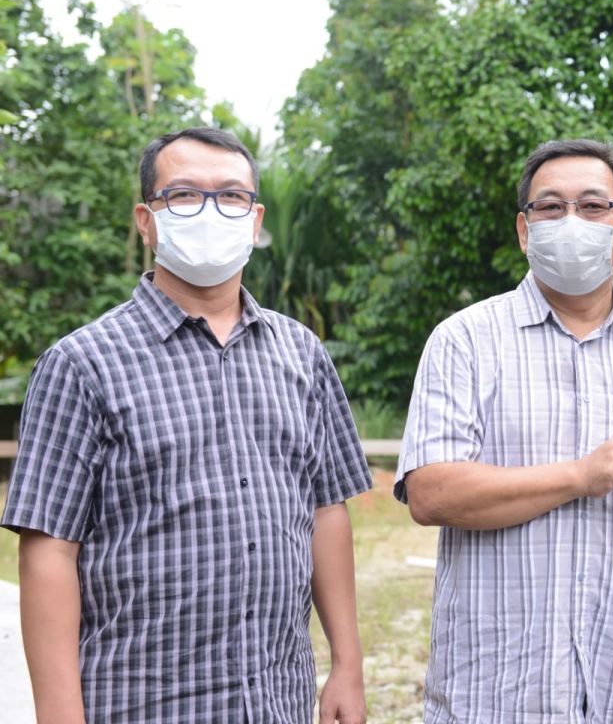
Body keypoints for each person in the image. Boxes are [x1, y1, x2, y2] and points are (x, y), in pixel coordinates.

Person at [3, 128, 373, 724]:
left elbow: (327, 510)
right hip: (140, 702)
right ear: (146, 221)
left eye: (231, 197)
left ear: (254, 221)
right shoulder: (81, 363)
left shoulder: (301, 353)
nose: (209, 212)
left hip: (279, 699)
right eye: (182, 196)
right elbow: (49, 550)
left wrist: (347, 665)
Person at [396, 138, 613, 722]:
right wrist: (581, 475)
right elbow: (431, 493)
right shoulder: (464, 340)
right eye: (550, 208)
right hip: (495, 688)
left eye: (592, 206)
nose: (571, 222)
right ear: (524, 230)